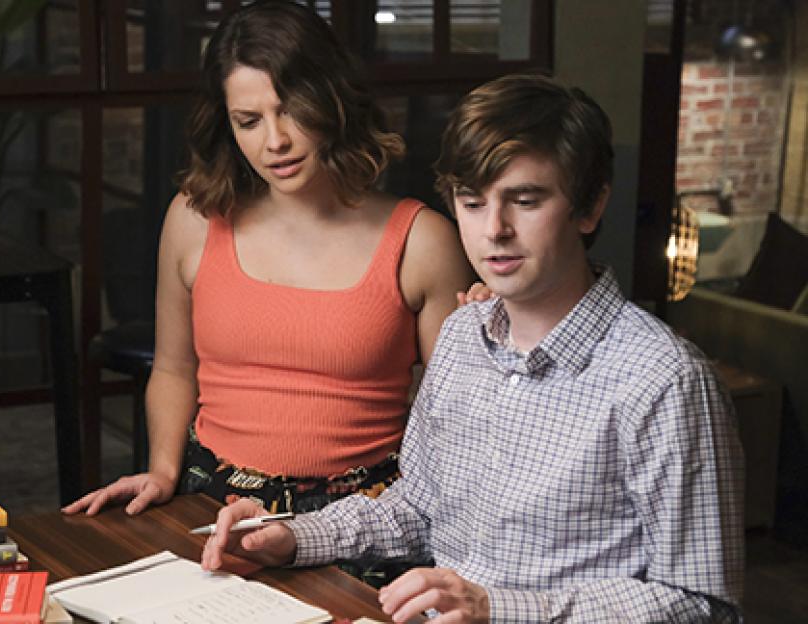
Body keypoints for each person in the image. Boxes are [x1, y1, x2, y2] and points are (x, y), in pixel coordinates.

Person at [200, 74, 745, 623]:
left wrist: (498, 609)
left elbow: (702, 603)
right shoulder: (463, 337)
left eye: (525, 200)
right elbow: (417, 507)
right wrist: (290, 537)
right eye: (473, 202)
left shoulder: (665, 380)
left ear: (590, 207)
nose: (495, 230)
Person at [63, 0, 473, 524]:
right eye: (249, 121)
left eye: (291, 110)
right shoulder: (195, 219)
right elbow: (173, 367)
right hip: (208, 498)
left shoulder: (423, 241)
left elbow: (457, 415)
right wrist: (163, 471)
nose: (275, 141)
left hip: (365, 516)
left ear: (331, 100)